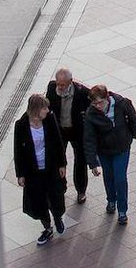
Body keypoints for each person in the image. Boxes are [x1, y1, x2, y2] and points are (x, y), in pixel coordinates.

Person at [12, 93, 68, 245]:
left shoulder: (49, 120)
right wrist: (20, 174)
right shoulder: (21, 125)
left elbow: (58, 142)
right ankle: (47, 227)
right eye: (44, 108)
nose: (47, 110)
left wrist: (62, 164)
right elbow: (18, 151)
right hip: (33, 172)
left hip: (51, 167)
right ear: (36, 109)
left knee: (55, 196)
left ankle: (57, 218)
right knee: (38, 200)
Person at [83, 83, 136, 223]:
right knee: (108, 176)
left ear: (107, 97)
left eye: (100, 102)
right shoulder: (91, 114)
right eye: (94, 103)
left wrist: (133, 134)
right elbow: (89, 138)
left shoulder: (122, 103)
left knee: (120, 178)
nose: (97, 106)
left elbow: (133, 118)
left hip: (122, 147)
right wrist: (93, 163)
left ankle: (122, 211)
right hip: (104, 150)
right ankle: (111, 200)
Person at [45, 67, 93, 206]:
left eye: (62, 84)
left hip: (77, 131)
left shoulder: (82, 92)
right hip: (60, 130)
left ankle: (81, 190)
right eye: (58, 83)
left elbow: (91, 110)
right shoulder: (52, 87)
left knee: (80, 160)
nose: (59, 87)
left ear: (70, 82)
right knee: (59, 160)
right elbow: (48, 107)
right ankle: (61, 187)